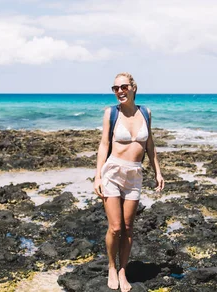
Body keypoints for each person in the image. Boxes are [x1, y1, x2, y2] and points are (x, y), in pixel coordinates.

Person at [93, 72, 165, 291]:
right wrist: (97, 175)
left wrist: (158, 173)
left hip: (135, 174)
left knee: (128, 227)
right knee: (115, 228)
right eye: (115, 88)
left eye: (123, 87)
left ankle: (123, 270)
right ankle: (112, 267)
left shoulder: (146, 112)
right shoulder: (110, 113)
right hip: (112, 172)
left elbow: (150, 145)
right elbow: (104, 145)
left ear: (133, 87)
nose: (119, 92)